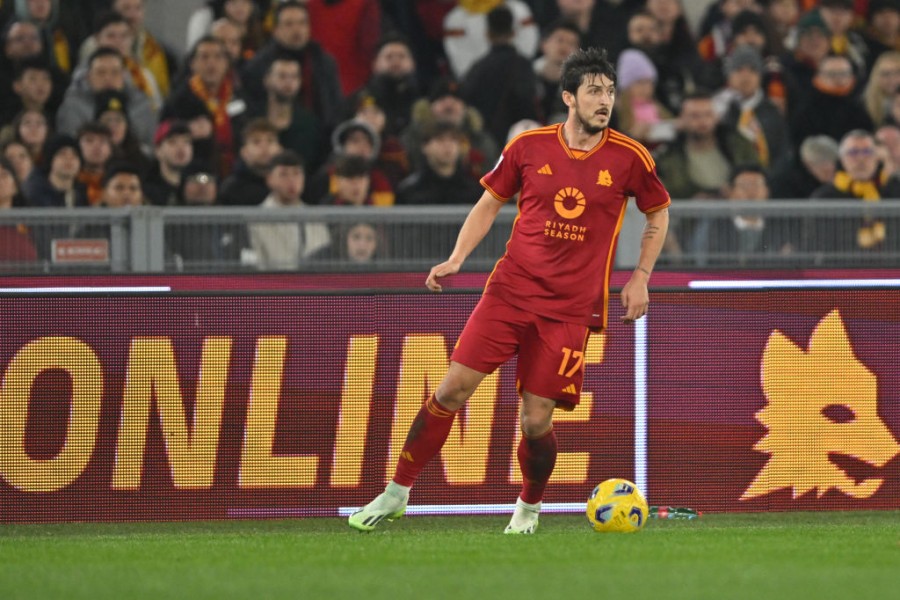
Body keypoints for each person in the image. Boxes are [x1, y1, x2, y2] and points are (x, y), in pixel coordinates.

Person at [348, 47, 670, 534]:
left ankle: (528, 506)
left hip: (569, 310)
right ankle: (396, 492)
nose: (604, 101)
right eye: (594, 91)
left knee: (536, 422)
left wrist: (641, 276)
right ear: (569, 97)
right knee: (452, 389)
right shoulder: (528, 147)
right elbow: (488, 203)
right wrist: (457, 258)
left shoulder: (630, 157)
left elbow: (657, 213)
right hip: (510, 293)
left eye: (609, 92)